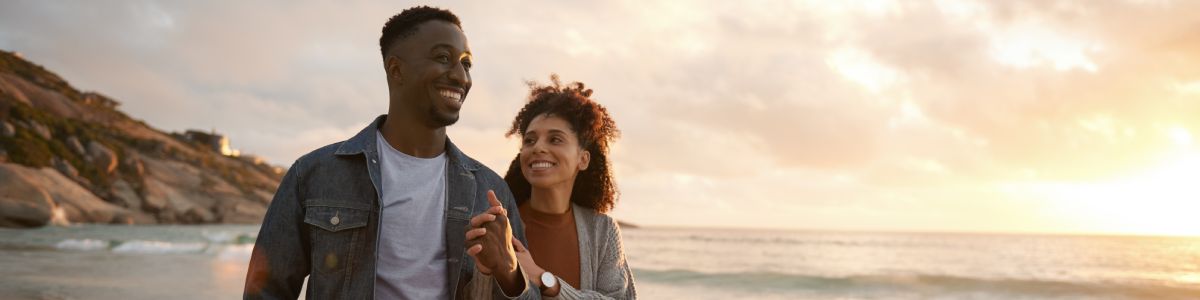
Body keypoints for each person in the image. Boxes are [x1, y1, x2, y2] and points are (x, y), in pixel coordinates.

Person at [244, 6, 536, 299]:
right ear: (396, 69)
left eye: (466, 64)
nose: (461, 77)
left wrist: (509, 271)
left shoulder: (490, 191)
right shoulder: (313, 175)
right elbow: (265, 291)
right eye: (443, 58)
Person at [467, 76, 636, 299]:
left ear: (583, 159)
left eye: (555, 139)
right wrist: (486, 273)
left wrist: (546, 281)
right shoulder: (498, 226)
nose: (538, 147)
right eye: (530, 140)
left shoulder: (602, 230)